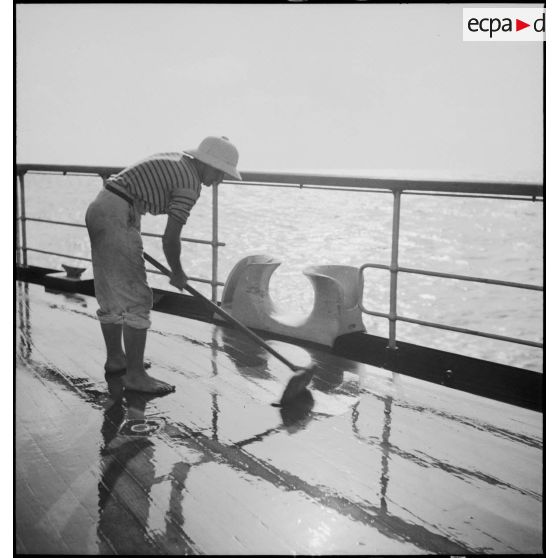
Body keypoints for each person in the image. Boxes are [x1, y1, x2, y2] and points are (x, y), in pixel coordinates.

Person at [85, 136, 241, 394]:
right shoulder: (190, 184)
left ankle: (116, 360)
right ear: (207, 163)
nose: (220, 180)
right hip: (118, 214)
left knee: (110, 294)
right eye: (221, 173)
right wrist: (178, 272)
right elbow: (170, 238)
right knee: (138, 300)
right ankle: (135, 376)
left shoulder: (178, 161)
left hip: (102, 207)